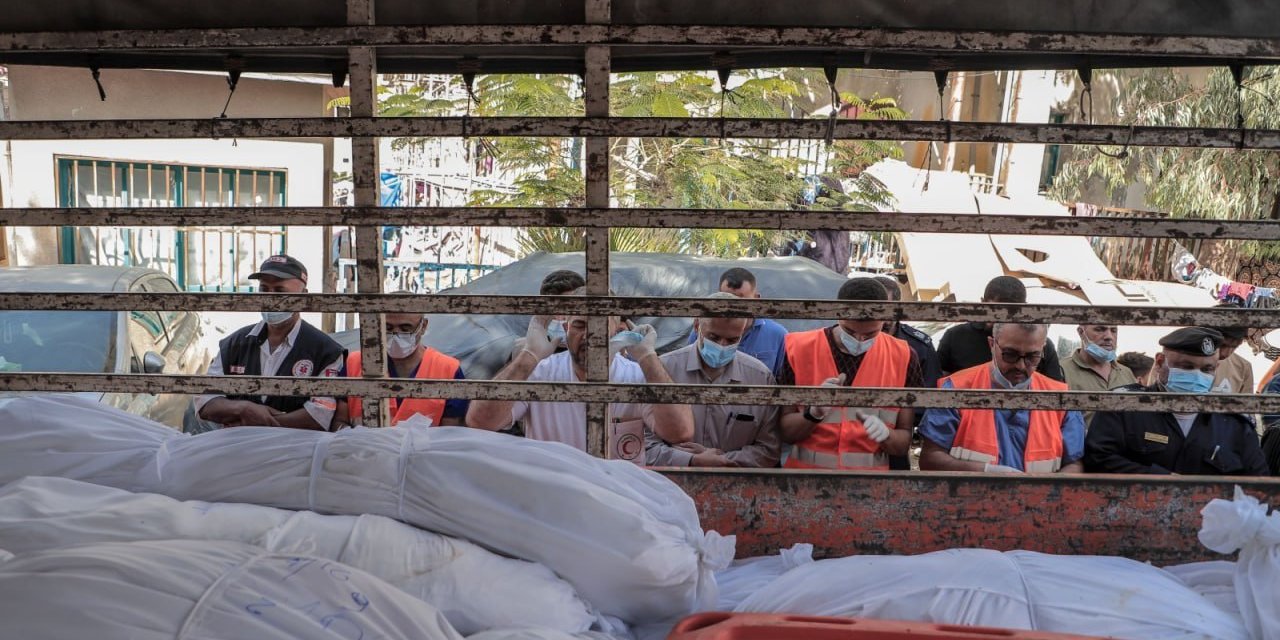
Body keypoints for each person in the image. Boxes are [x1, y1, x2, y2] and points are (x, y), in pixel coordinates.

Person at [466, 290, 694, 451]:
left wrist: (648, 357)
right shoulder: (541, 373)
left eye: (601, 325)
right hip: (554, 500)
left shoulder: (636, 376)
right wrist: (529, 355)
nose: (590, 335)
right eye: (579, 325)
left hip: (617, 501)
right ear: (566, 329)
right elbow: (480, 421)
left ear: (619, 329)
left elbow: (680, 432)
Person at [777, 278, 920, 470]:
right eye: (850, 331)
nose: (859, 339)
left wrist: (886, 435)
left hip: (868, 486)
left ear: (885, 320)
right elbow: (784, 431)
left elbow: (903, 443)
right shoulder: (798, 349)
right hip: (805, 482)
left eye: (870, 334)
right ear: (837, 314)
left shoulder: (903, 356)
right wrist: (812, 414)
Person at [1084, 327, 1269, 475]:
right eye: (1186, 367)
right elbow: (1097, 459)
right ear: (1159, 362)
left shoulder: (1233, 423)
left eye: (1207, 369)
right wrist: (1159, 480)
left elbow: (1258, 485)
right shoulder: (1124, 407)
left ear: (1217, 367)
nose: (1197, 376)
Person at [195, 255, 345, 431]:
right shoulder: (233, 345)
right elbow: (205, 402)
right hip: (238, 452)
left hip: (295, 453)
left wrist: (252, 424)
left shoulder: (326, 351)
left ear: (303, 297)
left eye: (280, 291)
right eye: (264, 289)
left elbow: (319, 416)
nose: (271, 299)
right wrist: (245, 409)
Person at [919, 323, 1085, 473]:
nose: (1020, 365)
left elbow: (1074, 464)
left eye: (1032, 357)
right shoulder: (957, 389)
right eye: (1010, 354)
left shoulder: (1060, 397)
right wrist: (985, 471)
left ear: (1043, 350)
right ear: (992, 345)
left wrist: (1047, 494)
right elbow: (930, 458)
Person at [650, 293, 781, 468]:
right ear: (697, 325)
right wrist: (692, 460)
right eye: (714, 337)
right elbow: (643, 444)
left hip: (736, 488)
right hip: (670, 486)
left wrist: (723, 461)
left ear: (742, 333)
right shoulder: (663, 370)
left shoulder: (760, 378)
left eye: (732, 340)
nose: (722, 346)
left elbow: (769, 450)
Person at [338, 312, 468, 428]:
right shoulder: (354, 363)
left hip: (424, 454)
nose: (396, 335)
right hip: (362, 452)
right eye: (388, 328)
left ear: (423, 326)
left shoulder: (448, 370)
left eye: (405, 329)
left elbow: (450, 436)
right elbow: (339, 421)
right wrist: (352, 440)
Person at [936, 276, 1065, 382]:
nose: (1004, 318)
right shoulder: (956, 337)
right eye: (997, 311)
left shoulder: (1040, 345)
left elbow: (1053, 389)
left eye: (1012, 312)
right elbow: (940, 383)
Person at [875, 275, 941, 470]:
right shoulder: (850, 341)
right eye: (875, 309)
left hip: (896, 442)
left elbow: (927, 400)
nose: (881, 319)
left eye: (886, 310)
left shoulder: (918, 346)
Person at [685, 267, 789, 375]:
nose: (732, 307)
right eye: (726, 299)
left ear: (757, 300)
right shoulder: (703, 332)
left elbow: (781, 381)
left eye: (741, 301)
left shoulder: (778, 335)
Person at [1059, 324, 1138, 426]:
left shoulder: (1126, 373)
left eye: (1113, 330)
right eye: (1100, 329)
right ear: (1081, 332)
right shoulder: (1062, 370)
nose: (1109, 336)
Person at [1211, 307, 1254, 394]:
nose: (1225, 353)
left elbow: (1246, 405)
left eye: (1234, 347)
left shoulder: (1243, 367)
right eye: (1222, 345)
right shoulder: (1185, 359)